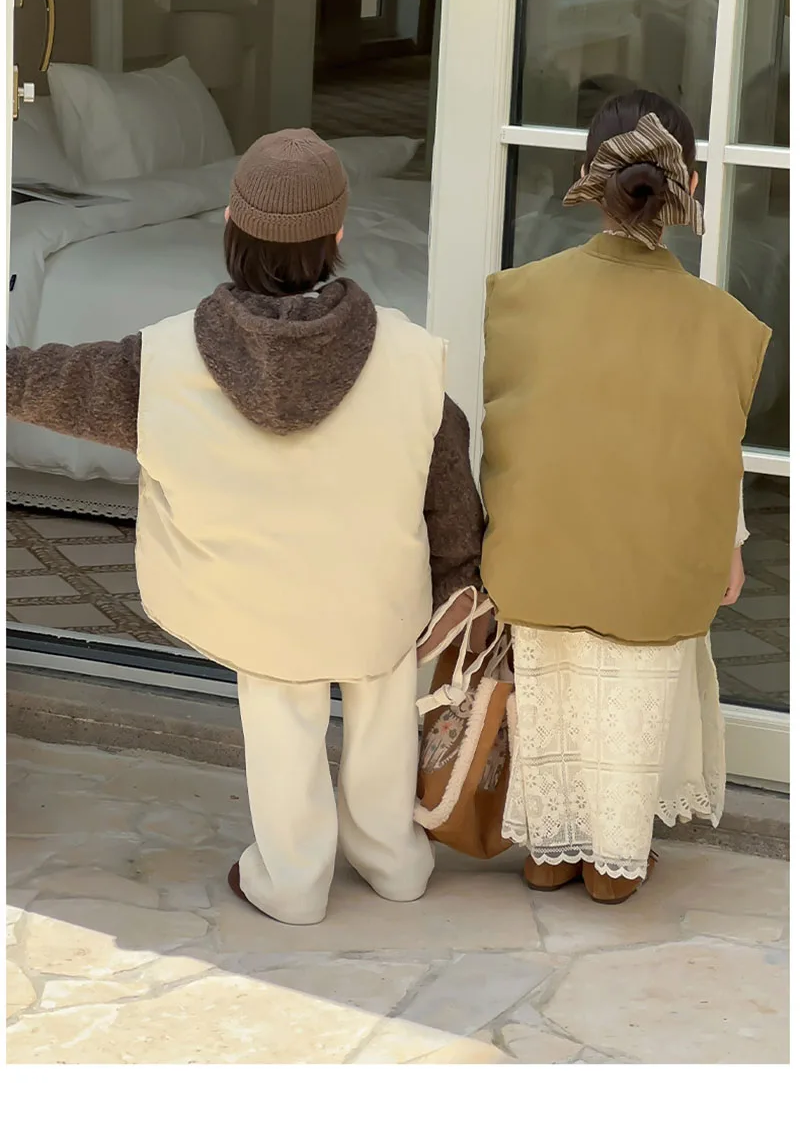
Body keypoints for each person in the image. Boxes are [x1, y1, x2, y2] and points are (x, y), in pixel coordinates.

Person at [7, 129, 485, 925]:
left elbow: (42, 381)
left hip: (257, 602)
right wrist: (457, 577)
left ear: (229, 225)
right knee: (384, 707)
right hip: (377, 596)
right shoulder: (411, 354)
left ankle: (292, 881)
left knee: (281, 716)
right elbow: (449, 486)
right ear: (339, 234)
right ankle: (394, 862)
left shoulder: (160, 359)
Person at [481, 91, 771, 905]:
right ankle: (614, 860)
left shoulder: (519, 294)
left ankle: (549, 850)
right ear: (689, 188)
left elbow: (512, 441)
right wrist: (730, 547)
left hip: (539, 557)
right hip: (655, 566)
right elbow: (713, 456)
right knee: (633, 693)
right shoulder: (727, 322)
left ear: (587, 176)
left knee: (555, 692)